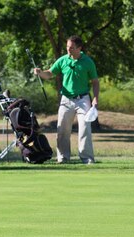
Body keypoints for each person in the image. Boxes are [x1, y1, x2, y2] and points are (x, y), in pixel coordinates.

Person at [33, 35, 99, 164]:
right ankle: (63, 158)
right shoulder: (63, 60)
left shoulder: (88, 62)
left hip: (83, 99)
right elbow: (50, 74)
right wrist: (40, 73)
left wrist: (95, 98)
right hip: (66, 100)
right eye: (67, 47)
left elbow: (95, 82)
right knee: (62, 129)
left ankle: (87, 158)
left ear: (79, 48)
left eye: (72, 47)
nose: (69, 50)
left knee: (85, 128)